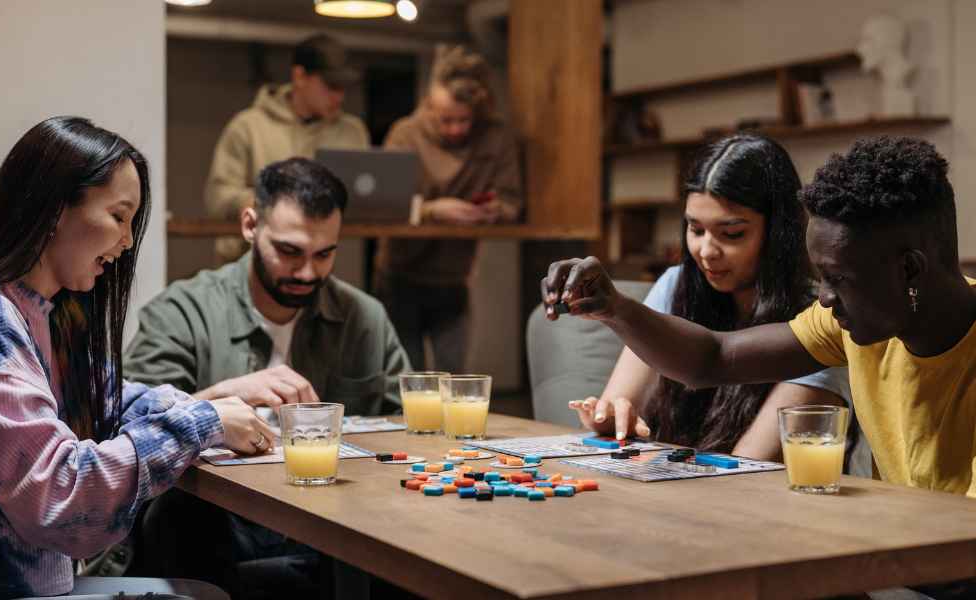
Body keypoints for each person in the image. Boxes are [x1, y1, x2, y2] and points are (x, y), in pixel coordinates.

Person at [543, 135, 976, 500]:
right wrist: (614, 307)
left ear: (910, 270)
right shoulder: (848, 323)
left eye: (838, 278)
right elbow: (714, 357)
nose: (823, 299)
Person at [0, 116, 269, 600]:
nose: (128, 241)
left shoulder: (50, 314)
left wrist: (212, 409)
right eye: (119, 216)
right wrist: (203, 422)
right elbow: (60, 497)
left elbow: (111, 401)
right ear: (54, 211)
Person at [125, 157, 410, 598]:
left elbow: (405, 426)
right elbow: (127, 429)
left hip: (333, 521)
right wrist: (221, 397)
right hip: (220, 520)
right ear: (249, 225)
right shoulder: (182, 310)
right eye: (290, 251)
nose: (307, 273)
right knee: (180, 512)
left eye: (325, 254)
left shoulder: (363, 317)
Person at [568, 135, 850, 461]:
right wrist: (609, 419)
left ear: (778, 231)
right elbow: (618, 406)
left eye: (731, 234)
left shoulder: (824, 316)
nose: (706, 251)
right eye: (695, 229)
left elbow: (750, 465)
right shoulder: (676, 283)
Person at [373, 45, 522, 373]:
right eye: (446, 120)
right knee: (404, 383)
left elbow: (513, 201)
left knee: (455, 383)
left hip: (455, 278)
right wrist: (431, 210)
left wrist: (494, 211)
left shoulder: (496, 139)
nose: (456, 129)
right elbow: (382, 205)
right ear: (429, 105)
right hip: (400, 275)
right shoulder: (405, 134)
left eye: (464, 120)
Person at [206, 34, 369, 264]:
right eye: (331, 85)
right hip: (248, 266)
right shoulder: (247, 127)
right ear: (300, 76)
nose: (339, 96)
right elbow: (218, 198)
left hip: (320, 269)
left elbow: (365, 198)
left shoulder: (352, 131)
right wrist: (271, 202)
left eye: (343, 87)